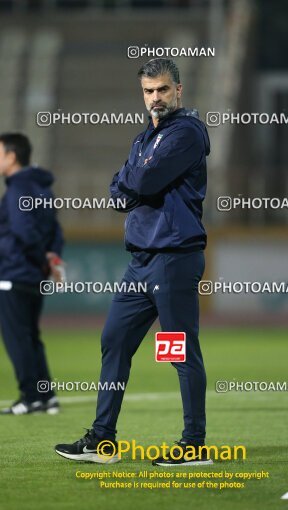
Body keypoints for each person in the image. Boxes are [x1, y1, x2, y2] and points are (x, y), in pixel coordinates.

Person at [55, 58, 211, 465]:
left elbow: (138, 183)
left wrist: (133, 181)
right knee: (114, 340)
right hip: (141, 260)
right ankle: (102, 441)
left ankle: (194, 445)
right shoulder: (145, 139)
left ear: (179, 90)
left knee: (178, 351)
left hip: (173, 258)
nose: (155, 98)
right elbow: (118, 191)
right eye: (148, 91)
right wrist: (132, 181)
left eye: (162, 89)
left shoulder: (188, 132)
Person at [0, 133, 64, 415]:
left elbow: (23, 231)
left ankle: (30, 397)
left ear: (12, 156)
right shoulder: (42, 188)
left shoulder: (17, 189)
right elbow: (55, 231)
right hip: (35, 274)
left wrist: (40, 258)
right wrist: (49, 260)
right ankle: (45, 395)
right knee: (30, 336)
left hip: (13, 271)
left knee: (17, 337)